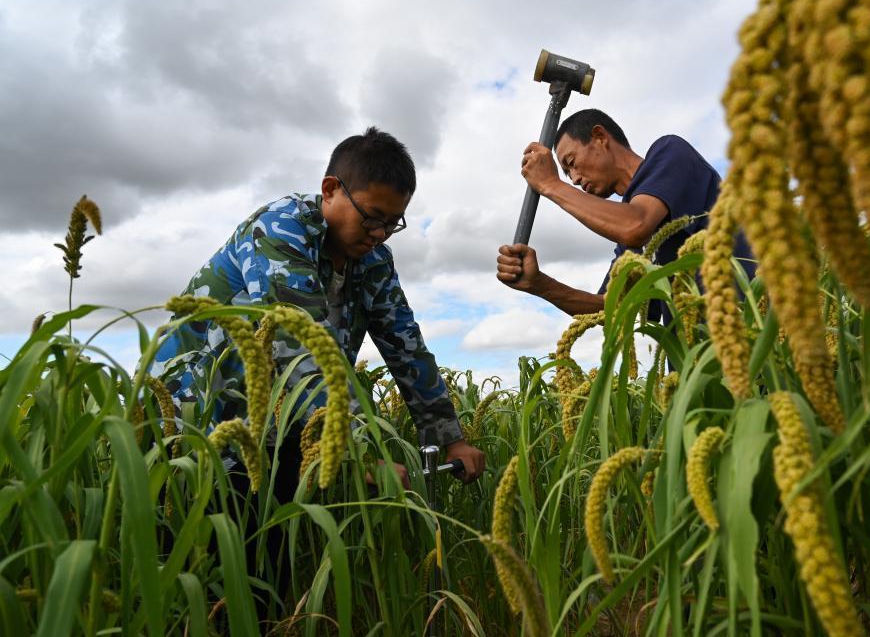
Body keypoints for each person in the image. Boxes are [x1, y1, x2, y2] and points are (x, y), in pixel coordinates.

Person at [152, 127, 485, 499]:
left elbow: (406, 345)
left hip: (274, 425)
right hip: (192, 418)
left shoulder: (374, 259)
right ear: (330, 190)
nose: (380, 233)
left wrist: (450, 439)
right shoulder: (280, 230)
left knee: (280, 546)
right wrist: (358, 449)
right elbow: (300, 345)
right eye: (372, 217)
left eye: (393, 223)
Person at [496, 108, 755, 322]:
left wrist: (551, 185)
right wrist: (540, 284)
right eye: (566, 175)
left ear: (600, 137)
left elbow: (636, 224)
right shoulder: (627, 248)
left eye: (572, 163)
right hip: (698, 371)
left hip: (752, 341)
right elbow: (610, 306)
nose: (574, 179)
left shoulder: (669, 153)